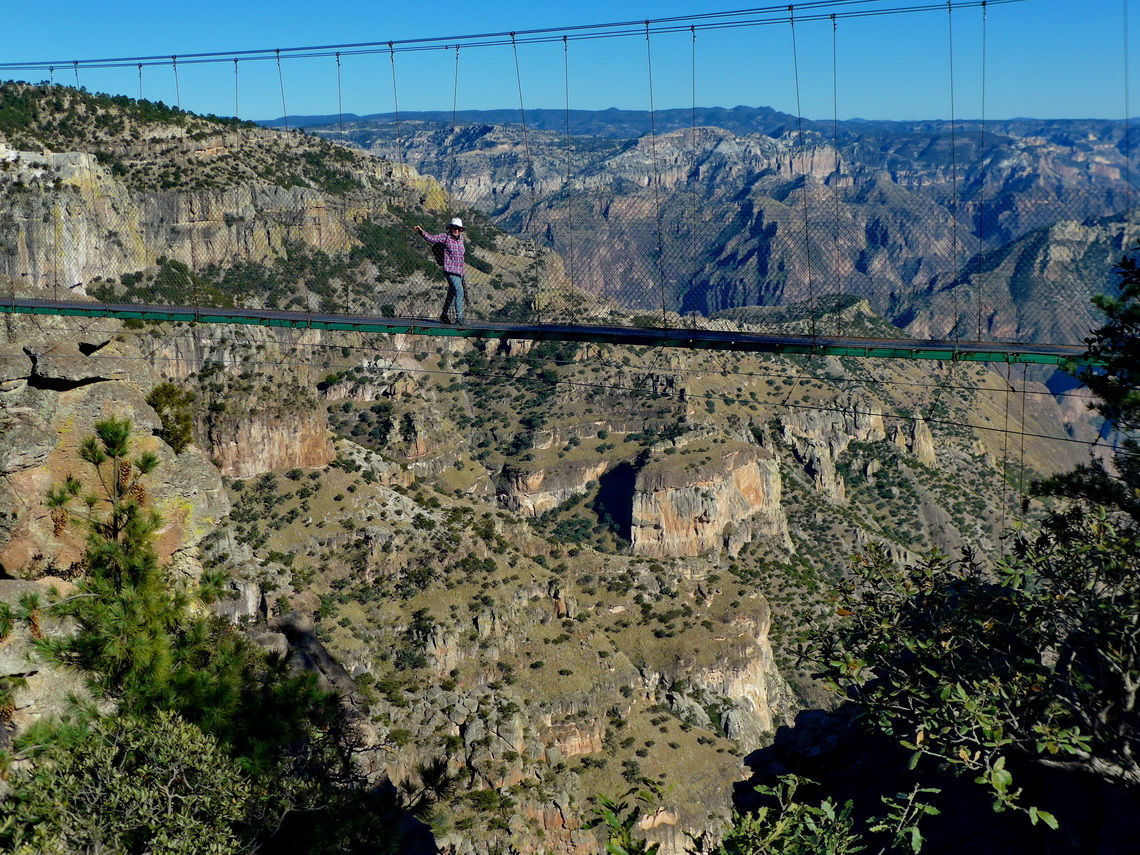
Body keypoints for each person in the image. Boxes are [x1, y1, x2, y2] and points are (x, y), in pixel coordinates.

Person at [413, 217, 467, 324]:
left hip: (460, 271)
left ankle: (444, 315)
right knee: (460, 292)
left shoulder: (461, 239)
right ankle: (459, 319)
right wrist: (421, 231)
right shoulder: (445, 238)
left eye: (459, 229)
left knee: (452, 293)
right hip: (450, 270)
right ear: (451, 228)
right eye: (454, 228)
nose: (456, 230)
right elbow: (431, 238)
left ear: (461, 230)